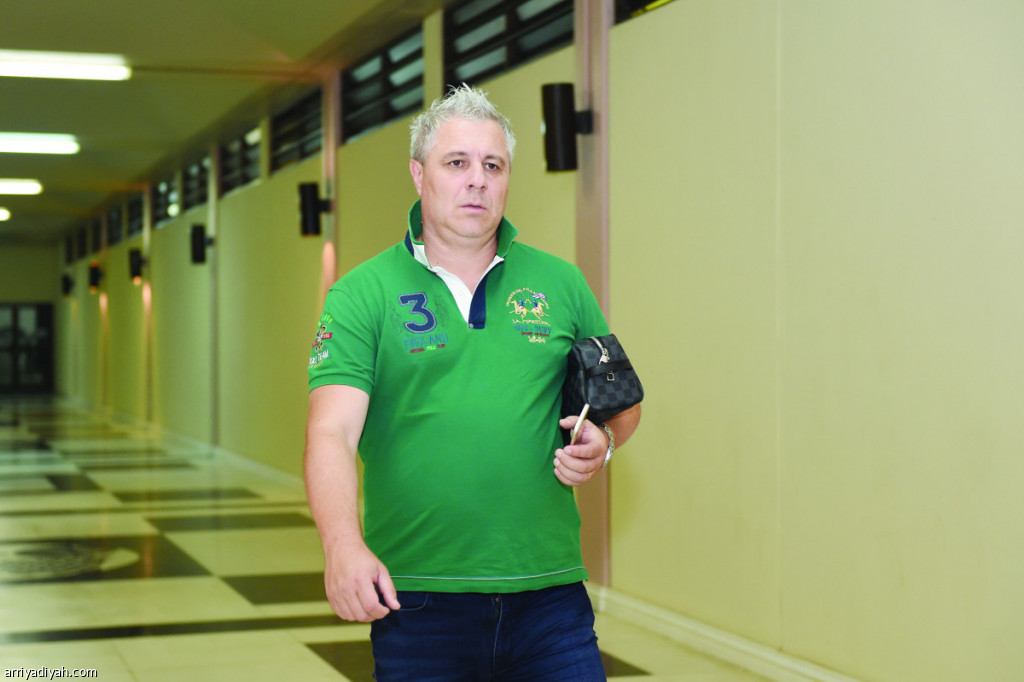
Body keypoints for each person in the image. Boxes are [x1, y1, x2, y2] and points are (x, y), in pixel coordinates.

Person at [305, 84, 641, 680]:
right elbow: (331, 431)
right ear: (419, 174)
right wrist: (342, 545)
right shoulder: (361, 294)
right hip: (418, 600)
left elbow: (621, 404)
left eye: (493, 165)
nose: (477, 181)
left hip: (550, 596)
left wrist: (604, 441)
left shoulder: (562, 284)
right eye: (457, 163)